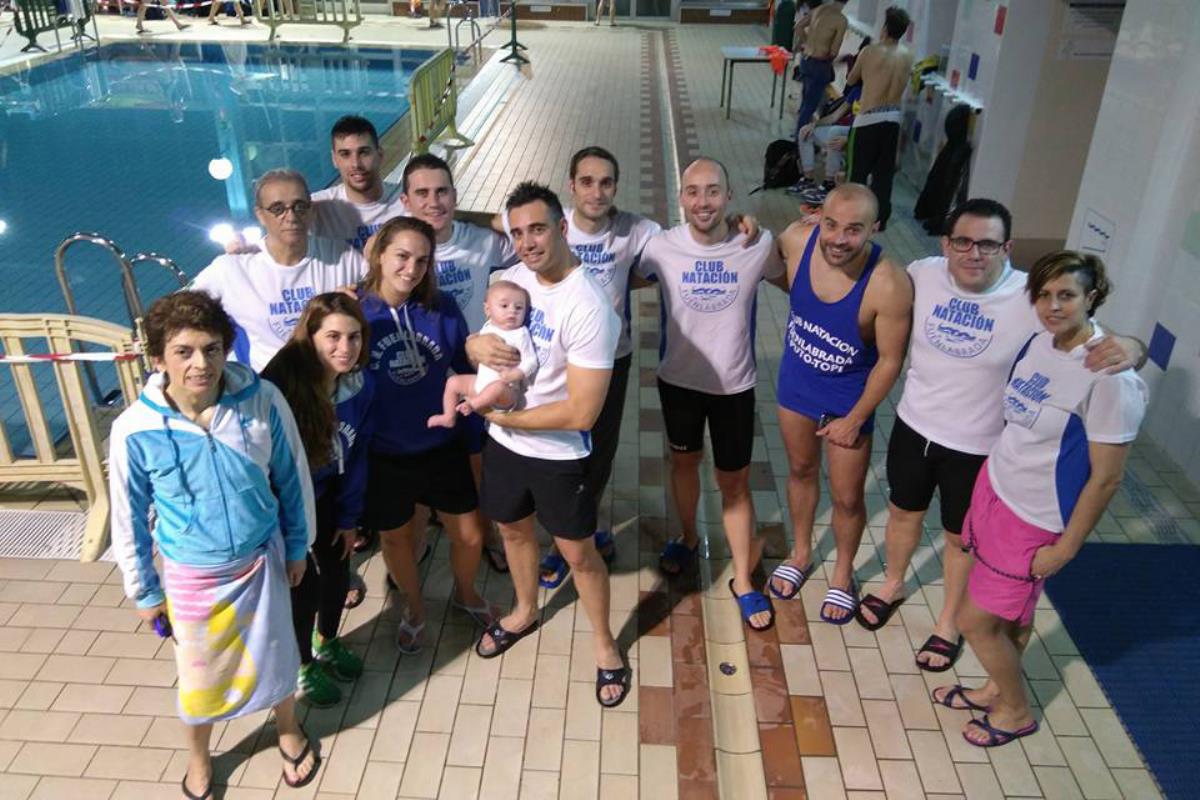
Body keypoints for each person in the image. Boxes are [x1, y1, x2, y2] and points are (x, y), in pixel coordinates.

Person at [859, 199, 1146, 669]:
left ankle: (948, 623)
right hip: (914, 425)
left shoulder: (1029, 297)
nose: (974, 253)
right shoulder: (923, 273)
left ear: (1007, 247)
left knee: (957, 538)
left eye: (988, 244)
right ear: (945, 243)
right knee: (901, 514)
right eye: (963, 242)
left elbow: (1087, 333)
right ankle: (892, 582)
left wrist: (1133, 346)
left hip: (977, 446)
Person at [109, 292, 320, 799]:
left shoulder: (261, 400)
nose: (200, 364)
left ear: (227, 348)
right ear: (158, 359)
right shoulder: (135, 429)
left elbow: (292, 477)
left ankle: (287, 728)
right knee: (200, 677)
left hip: (260, 558)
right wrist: (143, 590)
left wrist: (298, 546)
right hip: (192, 575)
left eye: (211, 348)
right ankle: (200, 756)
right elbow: (128, 516)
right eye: (183, 352)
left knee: (277, 654)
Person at [934, 250, 1146, 748]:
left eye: (1067, 295)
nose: (1053, 306)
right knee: (1013, 614)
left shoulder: (1112, 379)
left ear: (1091, 298)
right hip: (998, 489)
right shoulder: (1039, 343)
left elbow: (1106, 479)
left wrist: (1066, 547)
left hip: (1035, 517)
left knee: (975, 621)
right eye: (1045, 295)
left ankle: (1015, 711)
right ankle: (994, 687)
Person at [472, 182, 630, 708]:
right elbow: (484, 334)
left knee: (578, 554)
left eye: (537, 229)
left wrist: (504, 419)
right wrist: (475, 341)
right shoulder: (513, 278)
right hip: (505, 443)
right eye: (516, 232)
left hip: (559, 454)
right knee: (513, 531)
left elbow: (583, 411)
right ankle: (523, 609)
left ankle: (606, 645)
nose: (526, 242)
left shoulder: (590, 306)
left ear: (562, 229)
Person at [637, 157, 785, 632]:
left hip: (734, 387)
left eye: (713, 191)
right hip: (678, 381)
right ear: (680, 197)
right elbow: (616, 276)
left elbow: (797, 280)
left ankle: (743, 579)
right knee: (683, 463)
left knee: (734, 482)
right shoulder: (661, 248)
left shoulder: (755, 243)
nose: (703, 201)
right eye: (693, 191)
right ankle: (685, 535)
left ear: (729, 195)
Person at [771, 184, 913, 624]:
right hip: (795, 385)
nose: (838, 238)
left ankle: (843, 574)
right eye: (831, 224)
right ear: (818, 219)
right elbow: (771, 268)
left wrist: (856, 418)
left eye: (854, 230)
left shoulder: (888, 282)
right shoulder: (797, 239)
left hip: (846, 400)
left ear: (875, 228)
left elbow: (891, 361)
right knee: (799, 471)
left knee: (848, 497)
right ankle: (799, 553)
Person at [358, 216, 494, 652]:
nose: (411, 269)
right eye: (401, 256)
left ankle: (466, 593)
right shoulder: (355, 312)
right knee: (396, 539)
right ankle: (414, 608)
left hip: (440, 442)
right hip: (384, 450)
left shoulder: (441, 306)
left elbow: (466, 361)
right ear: (380, 254)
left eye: (421, 259)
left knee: (470, 535)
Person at [402, 152, 516, 572]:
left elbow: (534, 236)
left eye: (442, 192)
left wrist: (494, 218)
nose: (434, 202)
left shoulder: (482, 241)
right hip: (416, 379)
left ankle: (487, 533)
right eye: (423, 193)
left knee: (478, 462)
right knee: (416, 464)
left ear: (455, 195)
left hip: (472, 375)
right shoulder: (398, 248)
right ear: (405, 202)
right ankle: (420, 538)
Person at [262, 294, 373, 707]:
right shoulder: (279, 390)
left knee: (338, 571)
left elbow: (357, 453)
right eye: (333, 337)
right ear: (310, 338)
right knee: (302, 588)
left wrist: (349, 516)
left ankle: (327, 639)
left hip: (327, 494)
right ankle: (302, 664)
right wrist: (291, 538)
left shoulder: (361, 386)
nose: (345, 348)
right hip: (282, 506)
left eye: (354, 337)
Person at [190, 169, 366, 371]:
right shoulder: (232, 269)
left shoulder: (343, 257)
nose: (291, 216)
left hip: (333, 386)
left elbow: (384, 292)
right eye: (277, 209)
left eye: (300, 206)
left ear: (311, 210)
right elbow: (181, 314)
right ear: (260, 215)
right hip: (270, 389)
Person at [428, 281, 537, 428]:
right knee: (453, 382)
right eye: (504, 306)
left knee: (497, 386)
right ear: (488, 310)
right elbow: (477, 341)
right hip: (480, 384)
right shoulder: (488, 326)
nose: (512, 311)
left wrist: (515, 374)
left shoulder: (520, 334)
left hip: (507, 392)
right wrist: (472, 340)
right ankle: (448, 416)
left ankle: (473, 404)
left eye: (519, 307)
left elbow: (531, 361)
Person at [845, 6, 913, 230]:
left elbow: (852, 79)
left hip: (868, 119)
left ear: (884, 28)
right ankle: (879, 219)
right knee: (884, 175)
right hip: (893, 119)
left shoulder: (870, 51)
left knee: (857, 173)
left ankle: (853, 215)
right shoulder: (908, 55)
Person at [311, 116, 409, 253]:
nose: (356, 164)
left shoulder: (407, 200)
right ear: (334, 159)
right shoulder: (318, 207)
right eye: (345, 154)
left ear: (380, 154)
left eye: (364, 152)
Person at [788, 80, 862, 202]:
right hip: (845, 131)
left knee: (835, 132)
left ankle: (829, 184)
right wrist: (814, 124)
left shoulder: (875, 95)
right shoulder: (857, 91)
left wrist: (849, 138)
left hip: (858, 135)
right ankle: (808, 180)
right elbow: (835, 116)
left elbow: (871, 128)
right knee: (804, 132)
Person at [793, 1, 848, 138]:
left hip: (806, 61)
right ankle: (799, 140)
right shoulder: (841, 20)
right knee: (810, 105)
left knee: (806, 101)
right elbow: (834, 51)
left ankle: (799, 133)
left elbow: (798, 27)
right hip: (819, 65)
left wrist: (808, 42)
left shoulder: (819, 9)